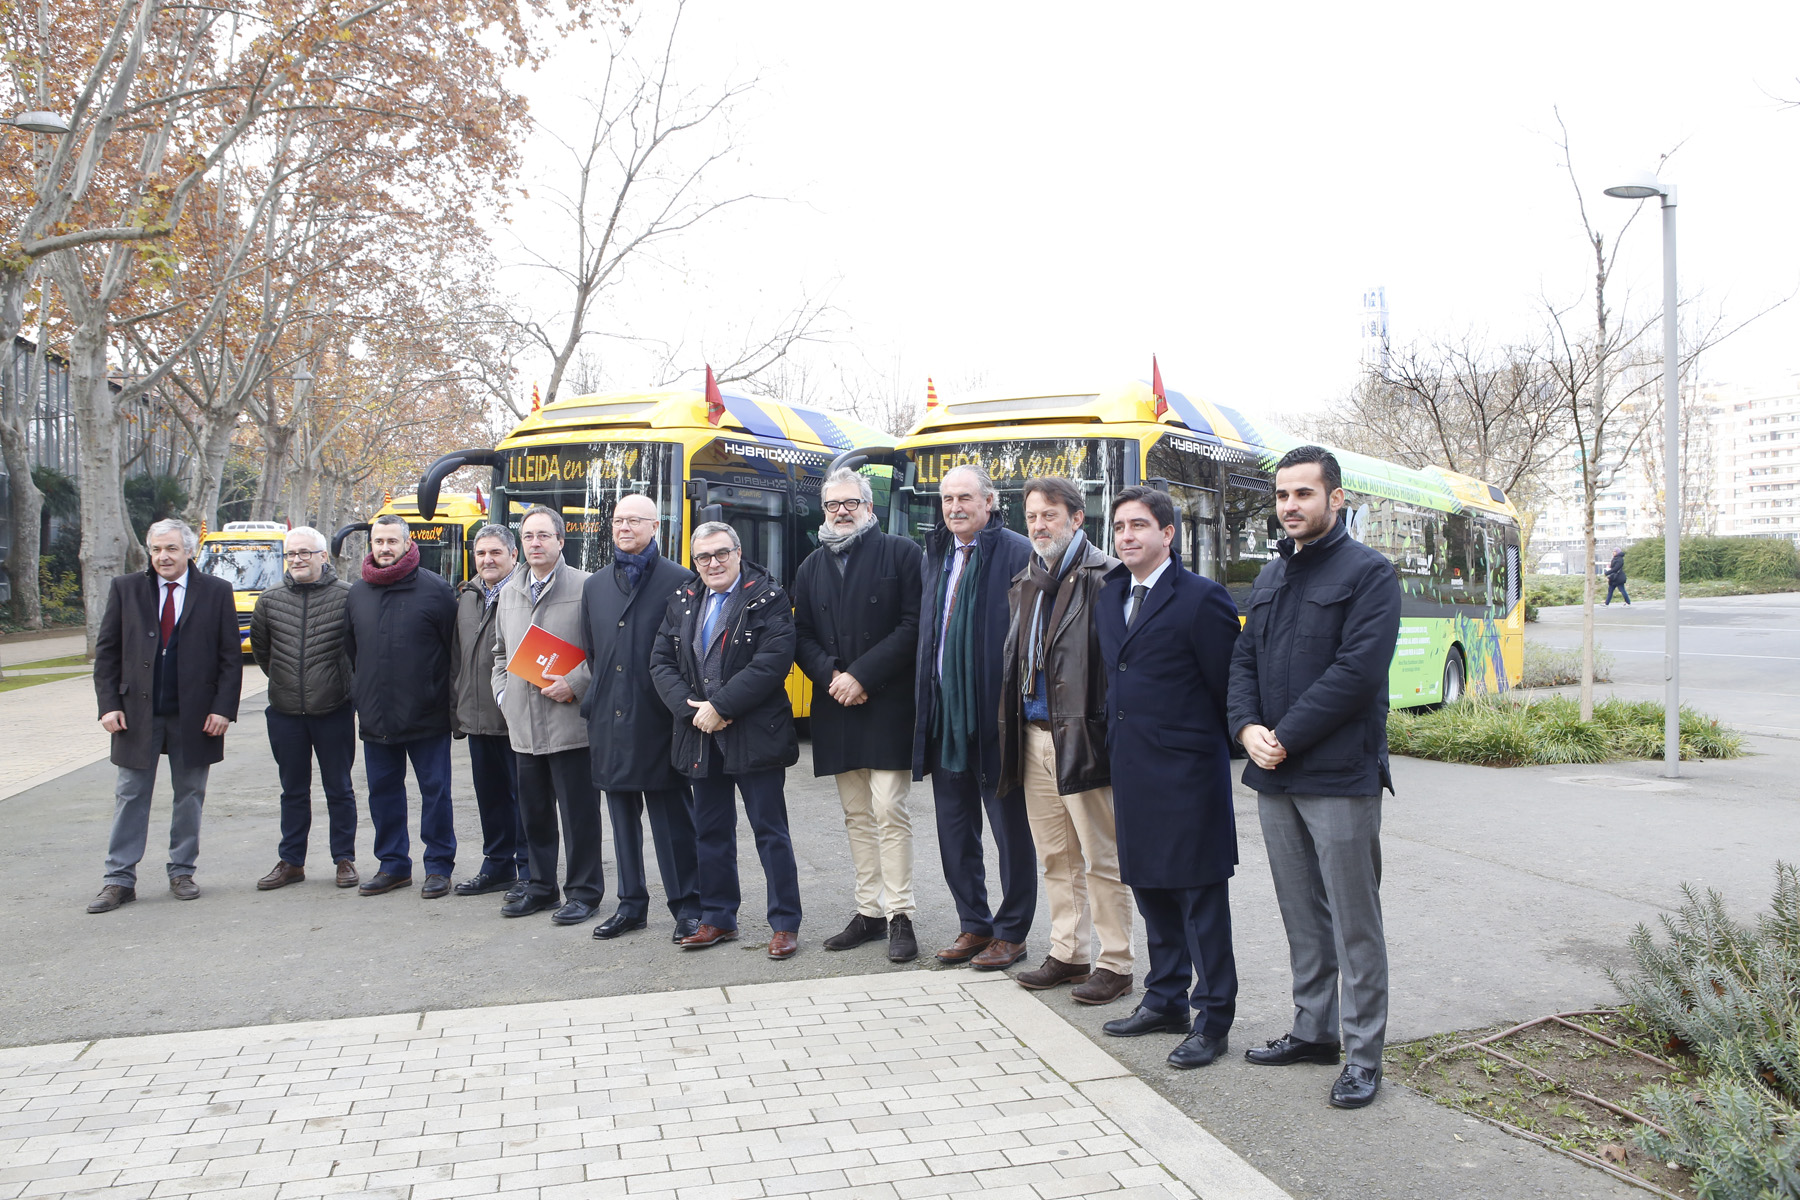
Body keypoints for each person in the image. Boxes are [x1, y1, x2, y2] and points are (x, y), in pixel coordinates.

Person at [1227, 444, 1403, 1110]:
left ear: (1336, 499)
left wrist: (1284, 737)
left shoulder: (1369, 574)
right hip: (1275, 775)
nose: (1290, 505)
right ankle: (1313, 1030)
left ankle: (1363, 1055)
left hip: (1338, 776)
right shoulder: (1272, 578)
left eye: (1303, 494)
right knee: (1301, 914)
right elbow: (1242, 661)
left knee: (1354, 922)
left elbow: (1356, 675)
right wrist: (1246, 731)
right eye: (1281, 495)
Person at [1095, 487, 1243, 1069]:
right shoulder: (1110, 595)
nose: (1126, 536)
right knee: (1151, 888)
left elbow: (1223, 687)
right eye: (1120, 527)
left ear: (1168, 534)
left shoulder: (1202, 599)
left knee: (1200, 899)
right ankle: (1164, 998)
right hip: (1131, 768)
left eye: (1139, 526)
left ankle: (1213, 1018)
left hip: (1186, 773)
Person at [996, 476, 1133, 1004]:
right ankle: (1069, 954)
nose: (1038, 525)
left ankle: (1116, 963)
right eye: (1031, 516)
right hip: (1033, 737)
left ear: (1077, 518)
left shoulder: (1107, 577)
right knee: (1055, 856)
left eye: (1049, 514)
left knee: (1102, 858)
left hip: (1084, 738)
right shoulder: (1026, 579)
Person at [649, 521, 803, 959]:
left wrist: (722, 707)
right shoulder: (683, 598)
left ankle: (784, 924)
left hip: (755, 734)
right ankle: (717, 918)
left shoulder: (769, 598)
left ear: (738, 552)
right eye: (703, 557)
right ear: (694, 562)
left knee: (770, 832)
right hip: (700, 733)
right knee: (711, 830)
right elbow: (661, 662)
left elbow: (772, 663)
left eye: (721, 553)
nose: (712, 563)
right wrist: (692, 709)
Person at [792, 467, 925, 963]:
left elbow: (914, 626)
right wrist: (832, 677)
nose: (841, 511)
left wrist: (862, 676)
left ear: (870, 507)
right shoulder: (809, 567)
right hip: (837, 704)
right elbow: (800, 633)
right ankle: (868, 911)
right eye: (832, 505)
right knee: (855, 815)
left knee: (890, 809)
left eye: (850, 503)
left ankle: (900, 915)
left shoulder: (902, 553)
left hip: (886, 703)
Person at [911, 464, 1036, 970]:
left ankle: (1012, 932)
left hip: (997, 719)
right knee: (954, 830)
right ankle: (973, 924)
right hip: (946, 716)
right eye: (947, 500)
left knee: (1010, 832)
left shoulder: (1016, 552)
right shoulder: (936, 552)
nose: (955, 508)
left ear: (989, 502)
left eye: (965, 498)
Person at [88, 518, 242, 912]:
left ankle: (182, 871)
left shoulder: (217, 591)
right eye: (156, 549)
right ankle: (119, 879)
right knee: (130, 795)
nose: (163, 557)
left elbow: (230, 658)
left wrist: (223, 709)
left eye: (171, 549)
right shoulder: (126, 589)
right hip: (136, 714)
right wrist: (108, 705)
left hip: (196, 715)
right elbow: (106, 653)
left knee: (189, 795)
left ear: (189, 550)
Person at [580, 494, 701, 944]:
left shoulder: (681, 581)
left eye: (634, 520)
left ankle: (688, 906)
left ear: (655, 526)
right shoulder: (594, 586)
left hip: (660, 720)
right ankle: (630, 905)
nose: (624, 527)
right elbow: (593, 651)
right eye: (617, 520)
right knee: (621, 820)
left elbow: (685, 656)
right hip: (609, 721)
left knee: (672, 820)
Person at [490, 506, 598, 926]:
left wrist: (577, 682)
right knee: (533, 815)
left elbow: (603, 652)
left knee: (578, 816)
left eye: (542, 536)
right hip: (523, 728)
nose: (534, 543)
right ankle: (539, 886)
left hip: (570, 725)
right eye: (528, 536)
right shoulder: (509, 591)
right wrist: (503, 696)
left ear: (560, 540)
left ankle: (584, 892)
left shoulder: (587, 587)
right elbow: (500, 654)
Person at [344, 513, 459, 898]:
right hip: (376, 716)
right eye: (379, 542)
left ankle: (439, 866)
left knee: (435, 792)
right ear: (371, 545)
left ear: (409, 544)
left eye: (393, 541)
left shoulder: (436, 591)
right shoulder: (357, 593)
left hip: (426, 715)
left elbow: (451, 651)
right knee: (383, 793)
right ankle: (393, 865)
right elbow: (352, 651)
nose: (385, 548)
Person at [249, 526, 358, 891]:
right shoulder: (269, 600)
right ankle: (291, 861)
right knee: (292, 790)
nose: (297, 559)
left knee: (339, 788)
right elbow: (264, 655)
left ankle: (344, 858)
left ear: (323, 557)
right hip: (285, 712)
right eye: (291, 554)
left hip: (334, 710)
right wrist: (288, 685)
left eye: (305, 553)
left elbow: (355, 651)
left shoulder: (347, 597)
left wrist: (339, 686)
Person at [451, 524, 529, 898]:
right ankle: (497, 866)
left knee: (528, 800)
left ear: (514, 555)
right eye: (481, 553)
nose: (487, 560)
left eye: (495, 552)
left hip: (519, 718)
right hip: (478, 717)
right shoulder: (467, 595)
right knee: (491, 798)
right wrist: (458, 708)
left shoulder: (527, 592)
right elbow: (458, 659)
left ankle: (531, 870)